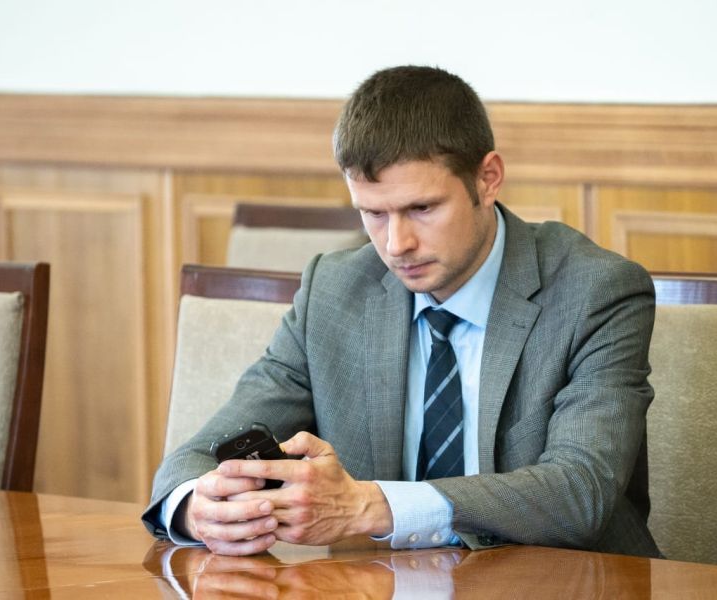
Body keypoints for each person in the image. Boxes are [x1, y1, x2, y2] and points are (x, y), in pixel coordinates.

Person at [142, 65, 662, 559]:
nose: (397, 244)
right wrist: (197, 508)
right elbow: (192, 460)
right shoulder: (333, 292)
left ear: (488, 178)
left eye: (422, 208)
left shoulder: (595, 292)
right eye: (373, 213)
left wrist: (370, 506)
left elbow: (579, 492)